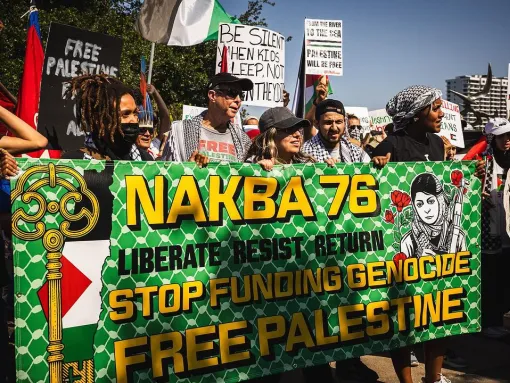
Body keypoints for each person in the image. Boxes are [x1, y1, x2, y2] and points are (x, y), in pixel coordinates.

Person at [245, 106, 335, 383]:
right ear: (271, 135)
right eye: (288, 129)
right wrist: (256, 174)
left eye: (299, 129)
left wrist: (332, 176)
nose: (298, 134)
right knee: (268, 353)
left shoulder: (309, 167)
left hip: (304, 272)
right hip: (266, 274)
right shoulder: (248, 168)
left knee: (313, 350)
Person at [372, 85, 450, 383]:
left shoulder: (438, 145)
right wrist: (377, 166)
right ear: (418, 114)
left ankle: (434, 377)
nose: (441, 113)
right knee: (402, 319)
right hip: (401, 247)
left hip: (435, 245)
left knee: (439, 312)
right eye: (436, 108)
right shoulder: (391, 144)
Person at [163, 73, 253, 163]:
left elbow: (250, 173)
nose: (238, 100)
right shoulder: (180, 131)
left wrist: (262, 166)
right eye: (232, 93)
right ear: (212, 96)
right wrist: (187, 168)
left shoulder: (243, 140)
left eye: (241, 95)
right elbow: (165, 172)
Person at [60, 74, 152, 161]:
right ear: (99, 119)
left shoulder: (146, 161)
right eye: (125, 114)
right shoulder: (74, 163)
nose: (134, 120)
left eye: (135, 113)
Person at [302, 99, 371, 164]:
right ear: (316, 124)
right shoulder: (305, 154)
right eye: (328, 122)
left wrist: (377, 165)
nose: (334, 128)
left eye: (338, 122)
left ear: (345, 122)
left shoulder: (356, 152)